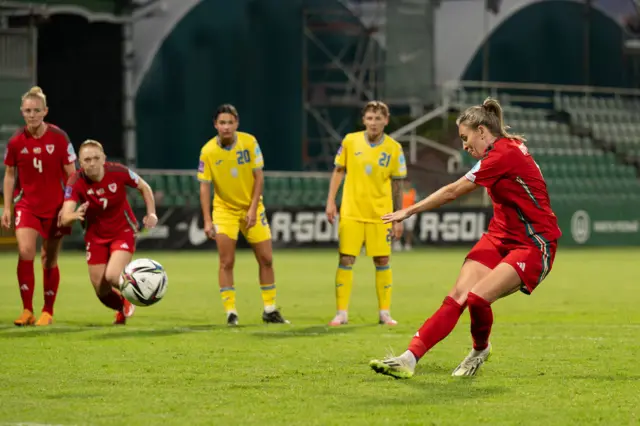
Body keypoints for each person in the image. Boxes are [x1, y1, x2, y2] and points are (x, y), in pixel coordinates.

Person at [369, 97, 561, 378]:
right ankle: (408, 358)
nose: (464, 145)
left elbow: (451, 192)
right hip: (500, 235)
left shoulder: (502, 155)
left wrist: (409, 210)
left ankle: (479, 350)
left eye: (465, 137)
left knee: (478, 298)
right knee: (457, 297)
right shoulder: (499, 152)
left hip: (535, 243)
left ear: (482, 131)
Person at [197, 104, 288, 326]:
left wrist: (252, 208)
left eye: (230, 122)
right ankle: (231, 312)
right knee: (226, 261)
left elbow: (259, 177)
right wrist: (208, 220)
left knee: (266, 258)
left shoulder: (249, 142)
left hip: (252, 208)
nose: (226, 127)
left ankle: (270, 309)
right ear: (215, 125)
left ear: (236, 123)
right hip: (224, 211)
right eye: (222, 123)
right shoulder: (208, 151)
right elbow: (204, 187)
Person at [326, 101, 407, 326]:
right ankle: (341, 312)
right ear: (364, 120)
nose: (373, 123)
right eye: (370, 118)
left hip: (380, 214)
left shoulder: (394, 148)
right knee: (346, 258)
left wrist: (398, 216)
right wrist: (331, 201)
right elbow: (339, 171)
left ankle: (384, 312)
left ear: (386, 120)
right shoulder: (350, 141)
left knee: (382, 259)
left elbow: (397, 184)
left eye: (378, 118)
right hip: (351, 211)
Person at [2, 86, 77, 326]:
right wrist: (7, 207)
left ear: (45, 111)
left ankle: (47, 311)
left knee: (49, 258)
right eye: (27, 111)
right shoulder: (15, 142)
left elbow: (72, 175)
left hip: (56, 207)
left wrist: (69, 205)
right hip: (27, 205)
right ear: (22, 112)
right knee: (25, 251)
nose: (32, 115)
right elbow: (10, 175)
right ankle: (27, 310)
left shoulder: (59, 137)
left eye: (36, 110)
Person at [60, 140, 157, 325]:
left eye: (96, 158)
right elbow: (64, 216)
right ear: (80, 162)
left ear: (104, 158)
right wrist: (74, 214)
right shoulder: (75, 181)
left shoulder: (118, 171)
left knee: (112, 275)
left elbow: (145, 187)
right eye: (87, 159)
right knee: (100, 289)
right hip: (95, 237)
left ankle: (144, 291)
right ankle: (121, 306)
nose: (92, 163)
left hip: (123, 230)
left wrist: (151, 212)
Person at [393, 177, 417, 251]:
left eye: (408, 183)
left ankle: (408, 244)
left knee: (409, 230)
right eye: (405, 183)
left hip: (411, 212)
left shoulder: (413, 192)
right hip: (401, 212)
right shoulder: (400, 192)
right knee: (399, 229)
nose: (407, 184)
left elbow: (416, 202)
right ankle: (397, 244)